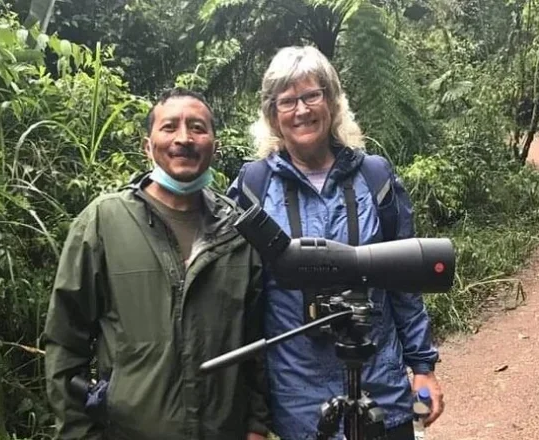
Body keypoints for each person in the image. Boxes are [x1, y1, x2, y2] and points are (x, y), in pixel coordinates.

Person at [227, 46, 444, 440]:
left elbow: (404, 283)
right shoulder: (254, 187)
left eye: (312, 95)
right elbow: (241, 300)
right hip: (300, 400)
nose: (302, 110)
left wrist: (423, 369)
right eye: (287, 101)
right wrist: (253, 411)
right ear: (272, 114)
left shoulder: (374, 177)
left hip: (382, 387)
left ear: (331, 101)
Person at [43, 88, 270, 440]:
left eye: (197, 128)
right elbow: (65, 341)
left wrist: (256, 424)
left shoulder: (238, 231)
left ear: (215, 146)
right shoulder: (104, 222)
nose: (184, 138)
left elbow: (257, 342)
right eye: (169, 127)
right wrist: (78, 432)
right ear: (147, 146)